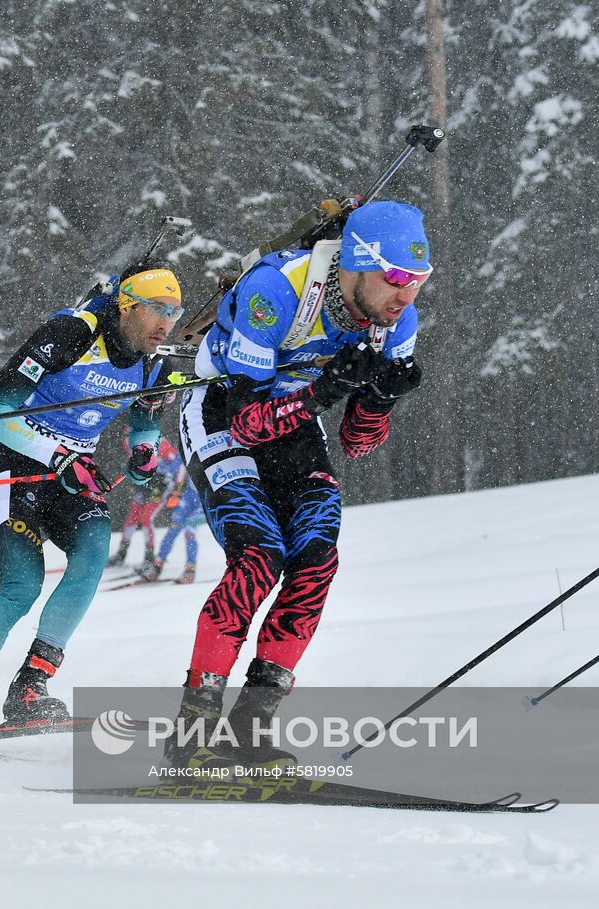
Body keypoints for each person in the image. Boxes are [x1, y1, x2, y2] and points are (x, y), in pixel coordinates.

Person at [168, 200, 428, 767]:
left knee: (315, 559)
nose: (406, 296)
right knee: (259, 558)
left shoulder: (395, 318)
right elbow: (245, 421)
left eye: (419, 281)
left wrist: (379, 398)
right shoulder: (278, 289)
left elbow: (359, 442)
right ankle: (192, 729)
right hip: (223, 412)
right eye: (396, 279)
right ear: (357, 265)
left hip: (295, 420)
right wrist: (323, 391)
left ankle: (249, 726)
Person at [0, 263, 182, 747]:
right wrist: (58, 455)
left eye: (174, 311)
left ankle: (31, 685)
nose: (167, 322)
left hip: (71, 471)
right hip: (18, 464)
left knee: (92, 555)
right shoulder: (71, 333)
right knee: (22, 587)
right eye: (157, 310)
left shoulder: (155, 361)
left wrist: (143, 449)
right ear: (127, 307)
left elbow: (145, 422)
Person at [106, 437, 177, 571]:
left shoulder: (160, 443)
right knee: (131, 519)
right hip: (145, 484)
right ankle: (121, 554)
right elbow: (134, 463)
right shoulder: (131, 441)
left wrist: (166, 486)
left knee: (146, 519)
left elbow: (175, 465)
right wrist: (134, 481)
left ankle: (149, 557)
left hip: (160, 487)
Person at [136, 444, 204, 585]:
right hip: (188, 496)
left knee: (189, 532)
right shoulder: (187, 447)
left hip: (203, 498)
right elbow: (172, 468)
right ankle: (157, 565)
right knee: (172, 530)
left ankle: (190, 570)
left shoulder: (204, 446)